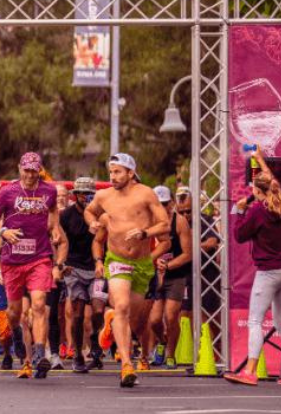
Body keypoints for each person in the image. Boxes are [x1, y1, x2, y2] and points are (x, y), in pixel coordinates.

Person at [84, 153, 169, 388]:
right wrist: (91, 222)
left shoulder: (145, 193)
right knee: (121, 306)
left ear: (131, 173)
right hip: (117, 259)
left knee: (137, 323)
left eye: (118, 171)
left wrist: (144, 233)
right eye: (111, 171)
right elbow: (89, 211)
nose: (113, 176)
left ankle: (112, 323)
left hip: (142, 263)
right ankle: (126, 366)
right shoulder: (103, 195)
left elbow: (165, 224)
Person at [223, 151, 281, 386]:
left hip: (268, 273)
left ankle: (250, 370)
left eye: (254, 192)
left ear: (258, 193)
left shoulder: (258, 210)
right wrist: (259, 159)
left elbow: (239, 235)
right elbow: (272, 180)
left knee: (255, 321)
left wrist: (239, 211)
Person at [0, 152, 61, 380]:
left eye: (34, 170)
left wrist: (55, 227)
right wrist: (3, 232)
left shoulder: (49, 190)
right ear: (20, 169)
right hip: (12, 261)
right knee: (14, 312)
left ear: (40, 170)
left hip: (39, 256)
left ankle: (39, 354)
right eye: (26, 169)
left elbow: (54, 209)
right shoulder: (7, 192)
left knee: (39, 305)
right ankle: (17, 335)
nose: (30, 174)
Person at [59, 177, 105, 373]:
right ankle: (77, 353)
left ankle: (95, 341)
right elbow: (59, 242)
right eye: (83, 194)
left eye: (90, 194)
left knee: (97, 310)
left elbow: (106, 241)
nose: (87, 197)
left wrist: (103, 262)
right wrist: (61, 264)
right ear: (75, 195)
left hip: (96, 269)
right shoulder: (66, 216)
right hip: (74, 269)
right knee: (77, 314)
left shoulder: (102, 215)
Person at [159, 185, 194, 369]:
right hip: (154, 274)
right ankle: (161, 342)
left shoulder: (180, 222)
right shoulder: (148, 220)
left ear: (171, 203)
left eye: (165, 203)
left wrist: (168, 265)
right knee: (153, 320)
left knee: (171, 316)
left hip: (176, 275)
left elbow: (188, 254)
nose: (162, 207)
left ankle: (171, 354)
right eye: (159, 204)